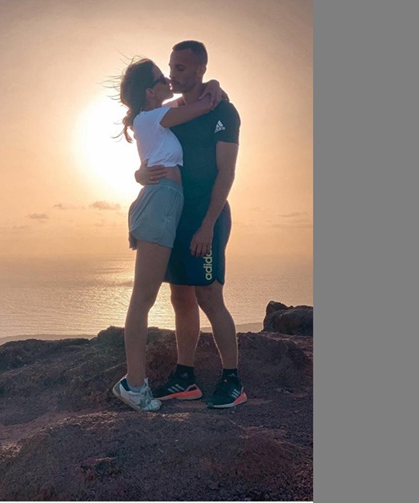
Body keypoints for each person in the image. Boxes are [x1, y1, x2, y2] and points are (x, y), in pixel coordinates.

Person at [135, 40, 246, 409]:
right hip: (175, 217)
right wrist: (139, 173)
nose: (173, 74)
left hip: (207, 217)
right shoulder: (173, 110)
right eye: (171, 67)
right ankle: (185, 378)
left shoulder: (223, 112)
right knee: (180, 297)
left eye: (180, 68)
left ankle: (233, 380)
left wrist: (207, 225)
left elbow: (227, 172)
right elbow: (152, 148)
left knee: (209, 296)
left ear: (200, 69)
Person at [111, 57, 224, 412]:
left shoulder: (155, 117)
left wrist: (213, 83)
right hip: (160, 203)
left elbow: (193, 100)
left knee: (152, 297)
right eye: (162, 78)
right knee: (142, 298)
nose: (168, 81)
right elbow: (202, 105)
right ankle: (134, 385)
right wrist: (212, 90)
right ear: (149, 91)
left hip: (167, 203)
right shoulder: (152, 118)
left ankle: (136, 383)